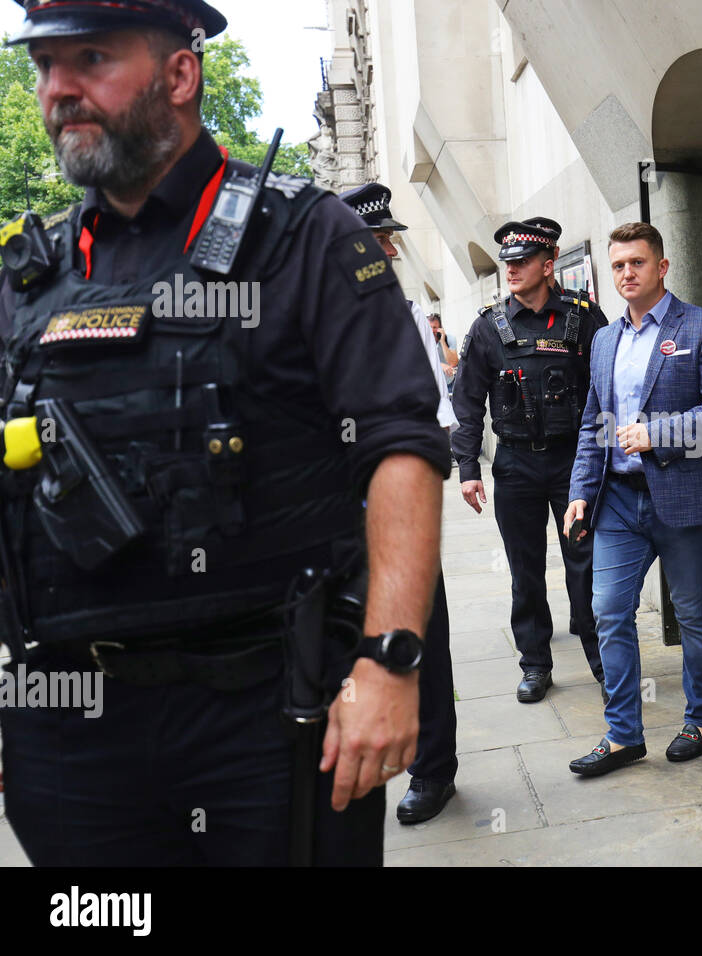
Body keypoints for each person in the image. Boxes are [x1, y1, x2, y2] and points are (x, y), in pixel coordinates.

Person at [0, 0, 448, 866]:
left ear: (180, 74)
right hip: (69, 728)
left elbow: (400, 444)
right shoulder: (28, 280)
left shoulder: (307, 238)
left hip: (268, 718)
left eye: (90, 58)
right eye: (45, 66)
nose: (58, 90)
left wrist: (391, 660)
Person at [565, 222, 702, 776]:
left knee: (691, 612)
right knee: (608, 613)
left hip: (684, 497)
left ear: (661, 267)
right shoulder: (602, 340)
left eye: (636, 263)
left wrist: (657, 433)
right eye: (618, 265)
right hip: (617, 501)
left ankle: (701, 719)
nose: (626, 274)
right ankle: (623, 735)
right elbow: (595, 423)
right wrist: (578, 492)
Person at [451, 218, 607, 702]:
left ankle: (605, 665)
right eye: (508, 263)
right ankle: (536, 664)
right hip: (516, 465)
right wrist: (469, 469)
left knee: (587, 568)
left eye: (521, 262)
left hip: (572, 466)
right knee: (525, 570)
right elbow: (467, 401)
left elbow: (606, 390)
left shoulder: (584, 318)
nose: (512, 270)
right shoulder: (488, 326)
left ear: (548, 263)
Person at [341, 183, 458, 825]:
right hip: (325, 516)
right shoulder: (298, 314)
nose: (389, 251)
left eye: (387, 242)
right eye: (379, 241)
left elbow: (433, 420)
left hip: (393, 509)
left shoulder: (407, 318)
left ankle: (432, 769)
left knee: (420, 638)